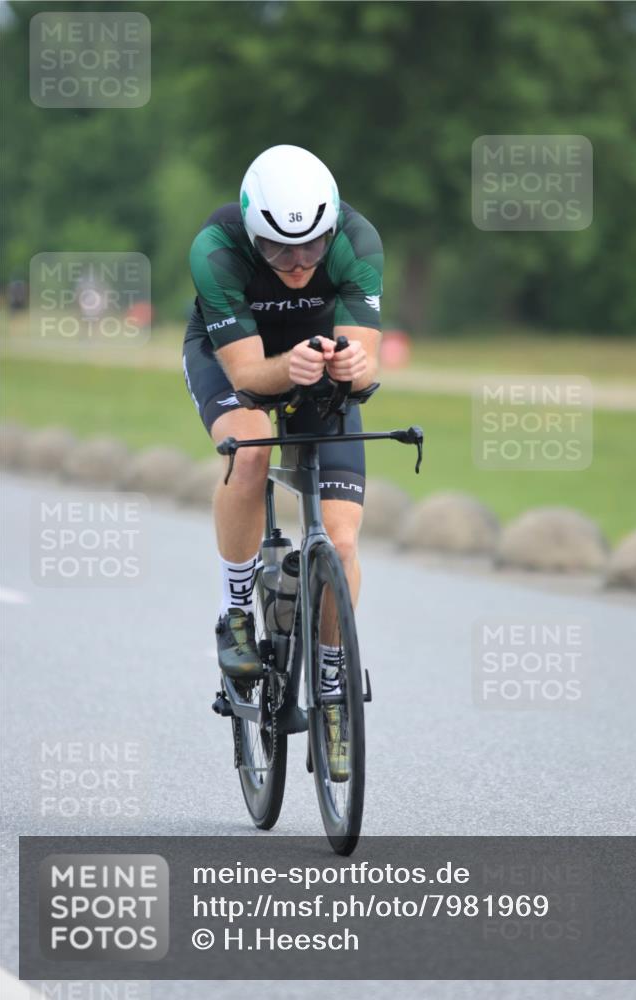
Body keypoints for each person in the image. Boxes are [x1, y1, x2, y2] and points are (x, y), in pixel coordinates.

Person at [183, 144, 383, 779]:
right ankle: (238, 612)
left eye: (311, 248)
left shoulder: (356, 238)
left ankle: (331, 687)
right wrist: (284, 369)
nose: (297, 264)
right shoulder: (215, 248)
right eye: (277, 250)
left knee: (343, 541)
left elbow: (367, 357)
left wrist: (351, 365)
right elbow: (247, 373)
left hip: (317, 357)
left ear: (330, 229)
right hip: (234, 355)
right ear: (251, 232)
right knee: (249, 454)